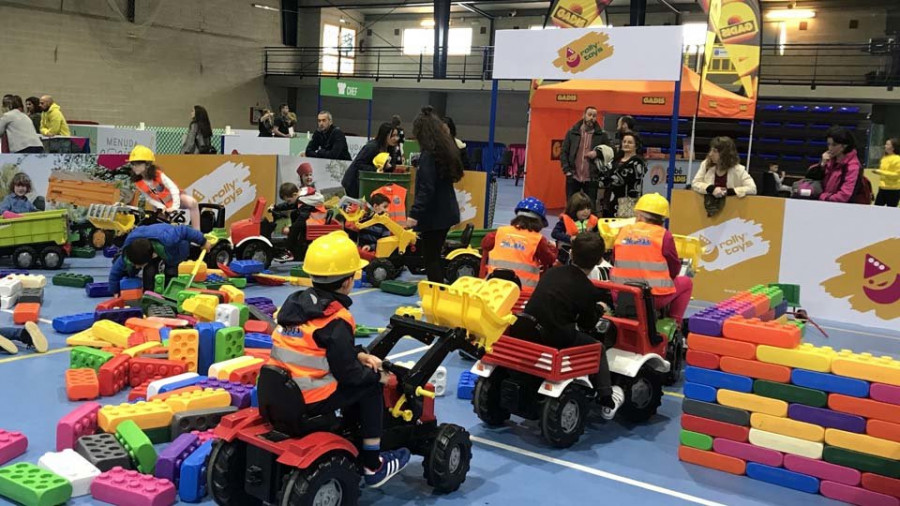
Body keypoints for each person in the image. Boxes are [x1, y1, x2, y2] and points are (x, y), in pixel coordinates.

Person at [267, 231, 410, 487]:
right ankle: (372, 463)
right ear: (347, 282)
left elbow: (317, 347)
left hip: (281, 391)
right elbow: (351, 376)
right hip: (312, 398)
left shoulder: (293, 306)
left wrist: (359, 354)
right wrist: (380, 375)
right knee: (371, 387)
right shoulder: (336, 319)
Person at [515, 232, 623, 419]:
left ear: (571, 254)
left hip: (525, 328)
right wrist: (599, 308)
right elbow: (587, 324)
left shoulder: (552, 272)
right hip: (553, 336)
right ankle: (607, 397)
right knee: (597, 348)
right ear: (599, 261)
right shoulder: (587, 288)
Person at [611, 193, 693, 326]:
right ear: (663, 217)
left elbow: (615, 259)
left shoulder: (623, 230)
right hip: (652, 299)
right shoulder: (664, 235)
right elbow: (674, 269)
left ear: (639, 215)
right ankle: (675, 323)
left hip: (620, 294)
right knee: (686, 282)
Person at [408, 106, 463, 283]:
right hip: (445, 213)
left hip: (434, 217)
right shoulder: (444, 151)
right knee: (435, 257)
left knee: (431, 259)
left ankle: (437, 294)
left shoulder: (428, 156)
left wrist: (414, 214)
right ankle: (438, 292)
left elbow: (426, 189)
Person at [107, 223, 212, 293]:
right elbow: (115, 272)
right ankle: (149, 292)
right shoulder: (129, 253)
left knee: (171, 270)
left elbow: (184, 230)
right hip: (149, 242)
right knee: (149, 271)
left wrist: (203, 241)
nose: (136, 266)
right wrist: (115, 291)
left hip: (174, 249)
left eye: (138, 265)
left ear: (152, 255)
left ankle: (170, 290)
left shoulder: (169, 238)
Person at [481, 197, 557, 290]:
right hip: (523, 292)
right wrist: (553, 248)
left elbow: (485, 244)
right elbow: (549, 260)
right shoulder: (538, 239)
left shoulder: (500, 232)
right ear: (539, 222)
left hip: (494, 287)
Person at [127, 145, 202, 231]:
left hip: (174, 198)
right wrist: (161, 206)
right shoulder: (138, 182)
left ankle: (197, 233)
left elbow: (173, 189)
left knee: (193, 203)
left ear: (147, 164)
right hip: (159, 205)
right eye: (132, 164)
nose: (134, 166)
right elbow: (148, 198)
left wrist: (174, 206)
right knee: (161, 225)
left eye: (137, 163)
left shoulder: (158, 174)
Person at [560, 106, 610, 211]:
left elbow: (610, 151)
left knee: (590, 207)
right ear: (584, 115)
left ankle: (589, 227)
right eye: (589, 115)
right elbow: (564, 152)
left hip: (591, 178)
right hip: (573, 177)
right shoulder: (572, 133)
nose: (592, 118)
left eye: (594, 116)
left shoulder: (602, 135)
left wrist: (597, 153)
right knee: (571, 207)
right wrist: (567, 171)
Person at [691, 136, 756, 215]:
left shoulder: (739, 169)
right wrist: (711, 189)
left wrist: (728, 191)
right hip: (706, 211)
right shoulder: (705, 165)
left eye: (715, 151)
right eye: (711, 150)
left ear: (725, 154)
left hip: (730, 214)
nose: (710, 154)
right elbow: (695, 183)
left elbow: (752, 189)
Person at [271, 184, 328, 263]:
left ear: (294, 195)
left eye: (288, 200)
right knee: (294, 214)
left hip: (317, 220)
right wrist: (276, 207)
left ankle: (289, 250)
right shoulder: (301, 196)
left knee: (296, 227)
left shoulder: (305, 202)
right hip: (312, 217)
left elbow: (302, 218)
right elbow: (290, 205)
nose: (288, 202)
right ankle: (295, 241)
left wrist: (290, 228)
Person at [341, 122, 400, 198]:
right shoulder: (372, 147)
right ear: (385, 135)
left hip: (368, 183)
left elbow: (390, 166)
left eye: (396, 135)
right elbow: (358, 164)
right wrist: (375, 170)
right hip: (353, 183)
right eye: (393, 135)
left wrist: (389, 167)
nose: (396, 138)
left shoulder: (391, 148)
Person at [816, 126, 867, 204]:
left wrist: (822, 197)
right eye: (828, 144)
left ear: (845, 145)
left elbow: (844, 195)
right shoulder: (829, 160)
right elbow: (814, 180)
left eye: (834, 145)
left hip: (844, 209)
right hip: (826, 204)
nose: (830, 148)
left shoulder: (853, 167)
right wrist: (822, 165)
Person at [601, 131, 645, 217]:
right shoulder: (616, 160)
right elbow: (603, 174)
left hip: (628, 201)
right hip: (611, 199)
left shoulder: (637, 162)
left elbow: (621, 179)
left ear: (636, 145)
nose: (626, 144)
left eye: (630, 142)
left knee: (624, 227)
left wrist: (607, 179)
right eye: (624, 142)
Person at [551, 191, 598, 264]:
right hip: (567, 251)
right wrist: (569, 238)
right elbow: (554, 233)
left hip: (586, 251)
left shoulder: (593, 220)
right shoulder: (565, 220)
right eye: (582, 209)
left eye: (588, 208)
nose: (586, 211)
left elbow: (598, 234)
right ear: (574, 208)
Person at [874, 137, 900, 207]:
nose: (885, 146)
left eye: (888, 144)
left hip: (893, 189)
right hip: (882, 188)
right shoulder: (884, 158)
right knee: (876, 208)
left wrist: (881, 172)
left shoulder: (898, 159)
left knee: (891, 211)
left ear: (893, 147)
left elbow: (897, 175)